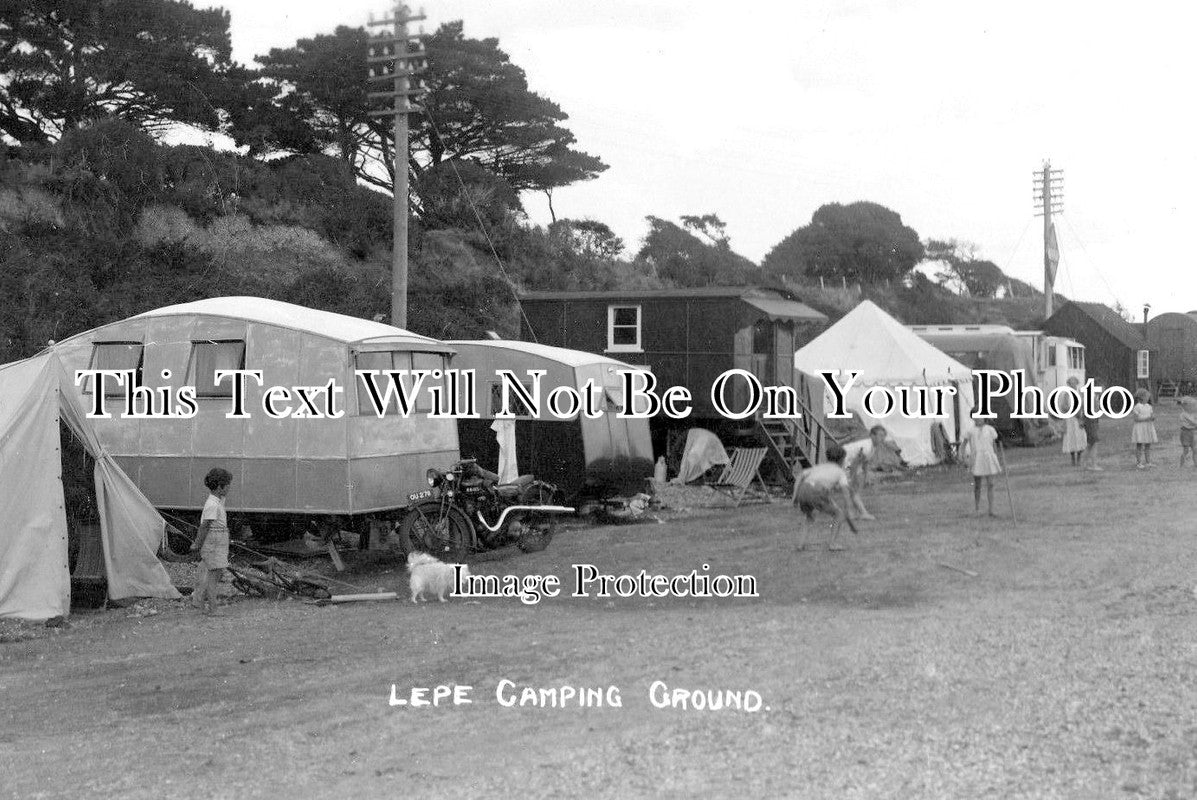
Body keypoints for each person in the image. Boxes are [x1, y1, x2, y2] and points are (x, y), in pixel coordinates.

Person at [792, 442, 858, 551]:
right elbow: (845, 492)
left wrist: (795, 496)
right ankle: (832, 544)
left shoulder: (819, 467)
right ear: (842, 460)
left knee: (809, 517)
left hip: (803, 489)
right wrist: (849, 509)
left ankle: (800, 544)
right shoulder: (840, 472)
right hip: (817, 491)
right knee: (839, 514)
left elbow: (801, 475)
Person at [191, 467, 233, 615]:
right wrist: (197, 543)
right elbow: (204, 526)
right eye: (227, 485)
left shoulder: (216, 501)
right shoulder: (213, 505)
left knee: (209, 572)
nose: (229, 488)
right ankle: (213, 609)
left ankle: (199, 603)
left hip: (217, 537)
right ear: (220, 487)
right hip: (215, 540)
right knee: (214, 576)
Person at [961, 409, 1002, 516]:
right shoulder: (970, 431)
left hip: (988, 457)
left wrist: (995, 457)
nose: (979, 418)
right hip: (977, 458)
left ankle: (991, 509)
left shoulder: (990, 429)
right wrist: (964, 457)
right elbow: (963, 445)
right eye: (976, 416)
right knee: (978, 484)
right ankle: (977, 508)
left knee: (991, 483)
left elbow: (994, 445)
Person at [1061, 377, 1088, 467]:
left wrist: (1081, 414)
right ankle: (1073, 458)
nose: (1072, 385)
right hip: (1070, 419)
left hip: (1078, 418)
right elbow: (1063, 407)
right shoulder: (1066, 394)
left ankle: (1079, 457)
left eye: (1074, 383)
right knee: (1071, 437)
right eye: (1071, 383)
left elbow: (1084, 405)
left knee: (1080, 436)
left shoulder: (1080, 394)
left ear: (1077, 384)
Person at [1131, 388, 1158, 469]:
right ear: (1141, 397)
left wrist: (1153, 418)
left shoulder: (1149, 406)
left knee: (1148, 445)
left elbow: (1151, 415)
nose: (1148, 398)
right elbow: (1136, 419)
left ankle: (1148, 462)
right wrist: (1146, 419)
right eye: (1146, 397)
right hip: (1140, 428)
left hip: (1148, 427)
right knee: (1139, 445)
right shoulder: (1137, 407)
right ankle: (1139, 462)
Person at [1080, 395, 1103, 472]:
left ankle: (1084, 464)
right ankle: (1093, 465)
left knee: (1090, 445)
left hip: (1091, 424)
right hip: (1091, 425)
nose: (1098, 403)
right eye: (1096, 402)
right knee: (1093, 444)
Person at [1178, 397, 1197, 469]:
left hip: (1193, 433)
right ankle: (1181, 465)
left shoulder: (1193, 414)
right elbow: (1193, 422)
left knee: (1195, 449)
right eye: (1192, 405)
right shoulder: (1183, 414)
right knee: (1186, 450)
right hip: (1185, 433)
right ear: (1186, 406)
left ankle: (1196, 464)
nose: (1194, 407)